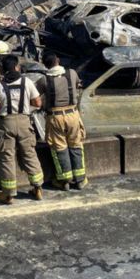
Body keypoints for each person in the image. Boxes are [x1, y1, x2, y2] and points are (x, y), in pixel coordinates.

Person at [0, 55, 44, 204]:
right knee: (29, 154)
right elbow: (38, 103)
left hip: (6, 123)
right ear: (16, 67)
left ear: (3, 69)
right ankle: (38, 187)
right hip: (24, 122)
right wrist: (26, 107)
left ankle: (8, 194)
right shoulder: (27, 82)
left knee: (7, 158)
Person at [35, 52, 87, 191]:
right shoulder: (72, 73)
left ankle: (64, 181)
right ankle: (80, 180)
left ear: (45, 65)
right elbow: (78, 85)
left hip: (55, 117)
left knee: (59, 148)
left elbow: (35, 96)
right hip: (72, 114)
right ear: (58, 60)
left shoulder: (44, 80)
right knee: (76, 144)